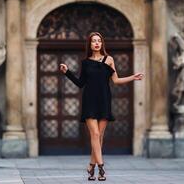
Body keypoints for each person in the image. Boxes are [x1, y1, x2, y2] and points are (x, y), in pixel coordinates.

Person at [59, 32, 143, 181]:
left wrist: (133, 77)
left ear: (102, 44)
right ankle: (101, 168)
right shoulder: (85, 63)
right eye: (94, 41)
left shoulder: (109, 59)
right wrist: (67, 73)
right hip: (89, 101)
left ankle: (91, 166)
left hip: (104, 100)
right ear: (90, 44)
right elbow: (80, 84)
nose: (97, 43)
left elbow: (116, 80)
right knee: (95, 135)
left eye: (99, 41)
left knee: (100, 136)